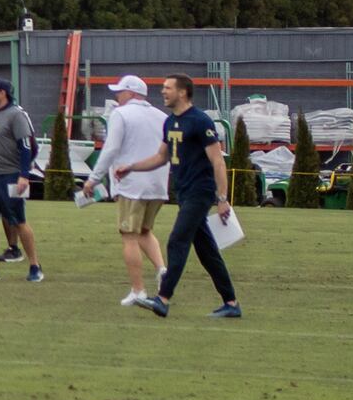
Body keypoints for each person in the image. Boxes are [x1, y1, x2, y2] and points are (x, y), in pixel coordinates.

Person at [145, 72, 242, 319]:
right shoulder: (170, 122)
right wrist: (130, 167)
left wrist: (222, 199)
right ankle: (231, 302)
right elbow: (160, 157)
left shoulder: (200, 121)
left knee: (177, 240)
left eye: (168, 88)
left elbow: (218, 162)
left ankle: (163, 298)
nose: (163, 91)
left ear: (182, 92)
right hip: (185, 193)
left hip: (201, 193)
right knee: (207, 251)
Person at [94, 75, 171, 307]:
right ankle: (162, 270)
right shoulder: (162, 116)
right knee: (145, 231)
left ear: (132, 93)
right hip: (157, 183)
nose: (117, 95)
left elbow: (111, 149)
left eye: (121, 91)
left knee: (128, 235)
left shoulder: (121, 114)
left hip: (131, 183)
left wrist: (93, 178)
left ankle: (138, 289)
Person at [0, 75, 44, 283]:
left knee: (18, 220)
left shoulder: (16, 115)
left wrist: (23, 175)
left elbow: (27, 147)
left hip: (10, 176)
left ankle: (34, 265)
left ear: (3, 93)